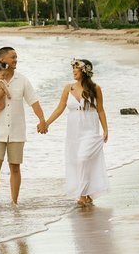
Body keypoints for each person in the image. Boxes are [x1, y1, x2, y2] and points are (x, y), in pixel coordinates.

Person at [0, 46, 48, 208]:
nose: (16, 60)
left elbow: (34, 101)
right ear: (2, 59)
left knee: (15, 167)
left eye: (16, 57)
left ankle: (14, 203)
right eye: (13, 57)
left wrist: (42, 120)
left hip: (17, 131)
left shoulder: (22, 80)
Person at [45, 58, 109, 207]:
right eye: (73, 68)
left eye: (76, 68)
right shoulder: (69, 88)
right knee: (76, 161)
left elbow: (100, 109)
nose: (73, 71)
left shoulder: (96, 88)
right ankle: (86, 193)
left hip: (90, 128)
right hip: (74, 129)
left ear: (85, 71)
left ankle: (81, 195)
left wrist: (106, 129)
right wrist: (47, 123)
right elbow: (60, 108)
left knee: (83, 158)